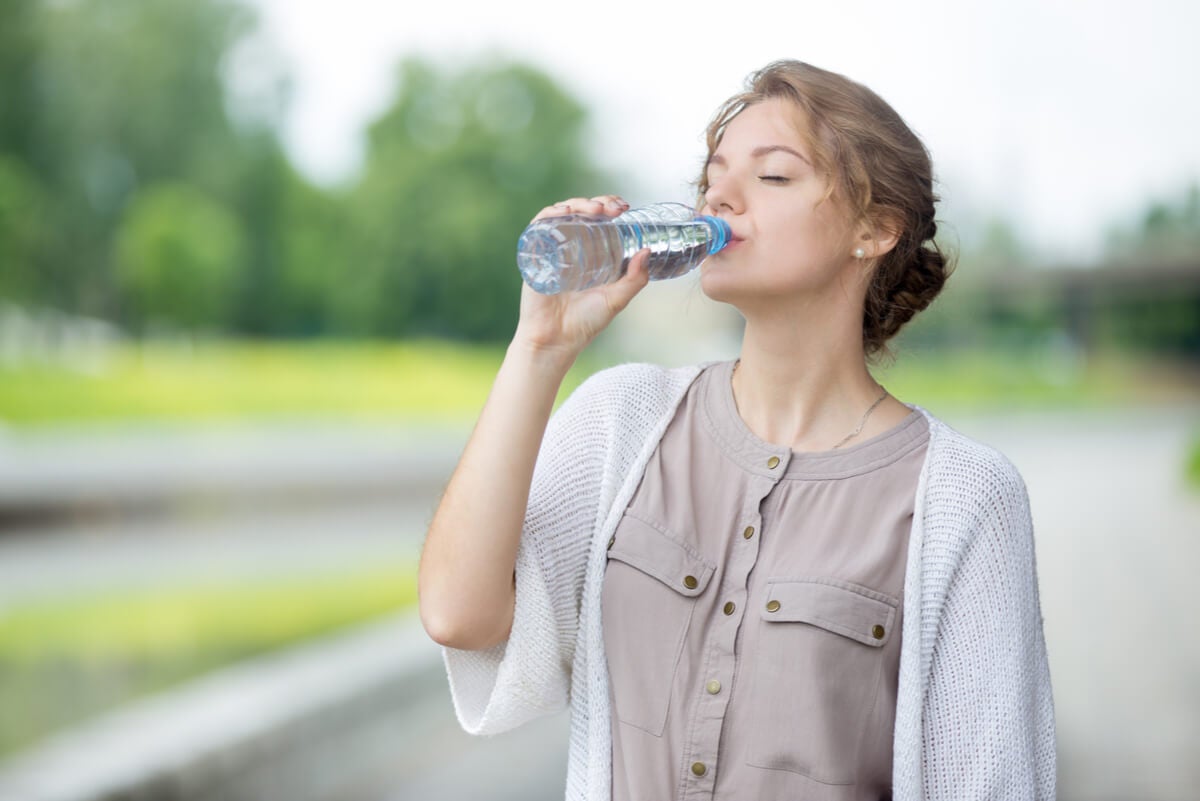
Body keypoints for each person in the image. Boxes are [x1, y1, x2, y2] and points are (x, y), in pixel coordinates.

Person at [418, 60, 1056, 801]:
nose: (719, 195)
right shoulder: (624, 419)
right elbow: (458, 615)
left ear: (874, 229)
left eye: (773, 177)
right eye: (713, 176)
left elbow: (989, 782)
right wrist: (539, 349)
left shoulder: (964, 499)